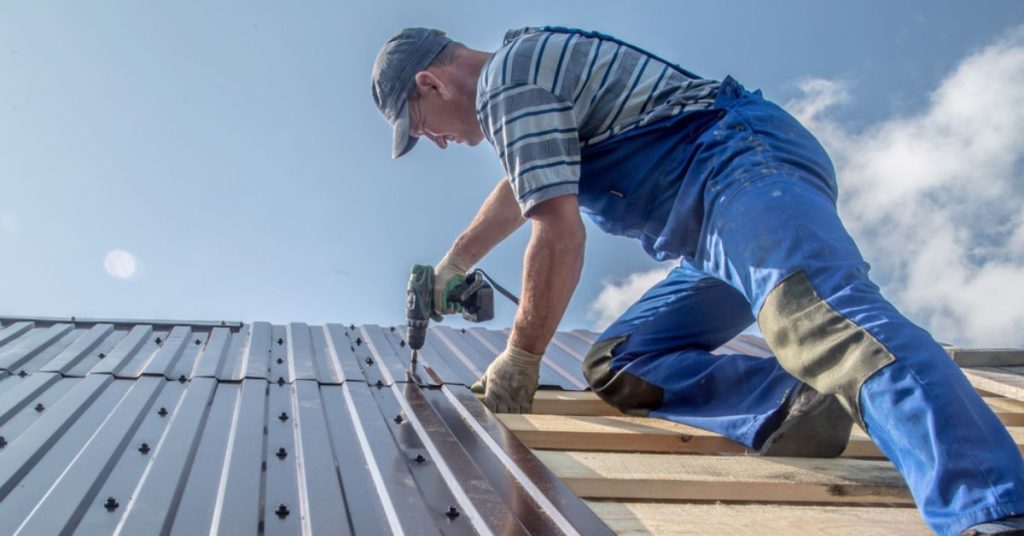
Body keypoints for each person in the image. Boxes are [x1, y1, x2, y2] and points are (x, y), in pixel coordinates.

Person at [371, 26, 1024, 535]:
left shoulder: (508, 83)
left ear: (430, 82)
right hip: (711, 236)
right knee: (623, 360)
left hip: (739, 169)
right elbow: (522, 186)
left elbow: (558, 231)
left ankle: (990, 509)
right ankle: (790, 404)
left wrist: (522, 356)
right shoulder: (523, 88)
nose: (436, 142)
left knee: (817, 318)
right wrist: (455, 263)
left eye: (421, 127)